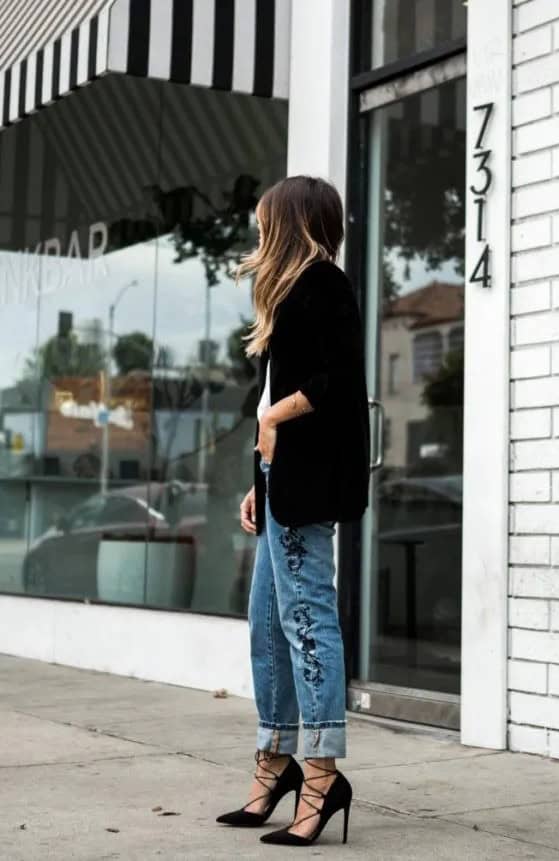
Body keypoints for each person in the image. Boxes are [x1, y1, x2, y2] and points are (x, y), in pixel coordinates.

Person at [216, 175, 371, 847]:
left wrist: (277, 417)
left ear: (292, 224)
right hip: (283, 479)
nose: (257, 236)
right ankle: (274, 758)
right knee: (267, 628)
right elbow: (273, 400)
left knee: (306, 621)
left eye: (263, 224)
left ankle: (321, 772)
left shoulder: (326, 284)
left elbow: (336, 382)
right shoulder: (289, 294)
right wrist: (260, 476)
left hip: (308, 484)